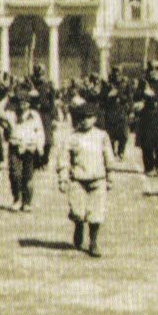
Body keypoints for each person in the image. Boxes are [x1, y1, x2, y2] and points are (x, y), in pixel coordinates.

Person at [56, 100, 116, 257]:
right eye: (82, 117)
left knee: (96, 214)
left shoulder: (102, 136)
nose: (85, 120)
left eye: (89, 117)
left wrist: (110, 175)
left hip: (98, 180)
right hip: (78, 180)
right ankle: (78, 226)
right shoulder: (72, 138)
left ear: (95, 119)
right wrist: (63, 178)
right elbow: (64, 159)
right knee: (77, 211)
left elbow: (108, 156)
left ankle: (93, 242)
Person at [4, 89, 46, 211]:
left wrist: (40, 147)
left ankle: (27, 202)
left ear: (29, 103)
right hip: (15, 145)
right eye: (20, 102)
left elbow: (40, 132)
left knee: (28, 176)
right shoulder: (11, 114)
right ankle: (17, 199)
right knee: (14, 174)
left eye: (25, 102)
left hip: (29, 147)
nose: (22, 105)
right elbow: (0, 116)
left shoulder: (35, 116)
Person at [134, 59, 158, 177]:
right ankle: (149, 167)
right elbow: (135, 97)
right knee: (147, 144)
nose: (154, 71)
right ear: (148, 69)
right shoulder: (143, 83)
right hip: (147, 115)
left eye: (157, 69)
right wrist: (143, 93)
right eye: (152, 68)